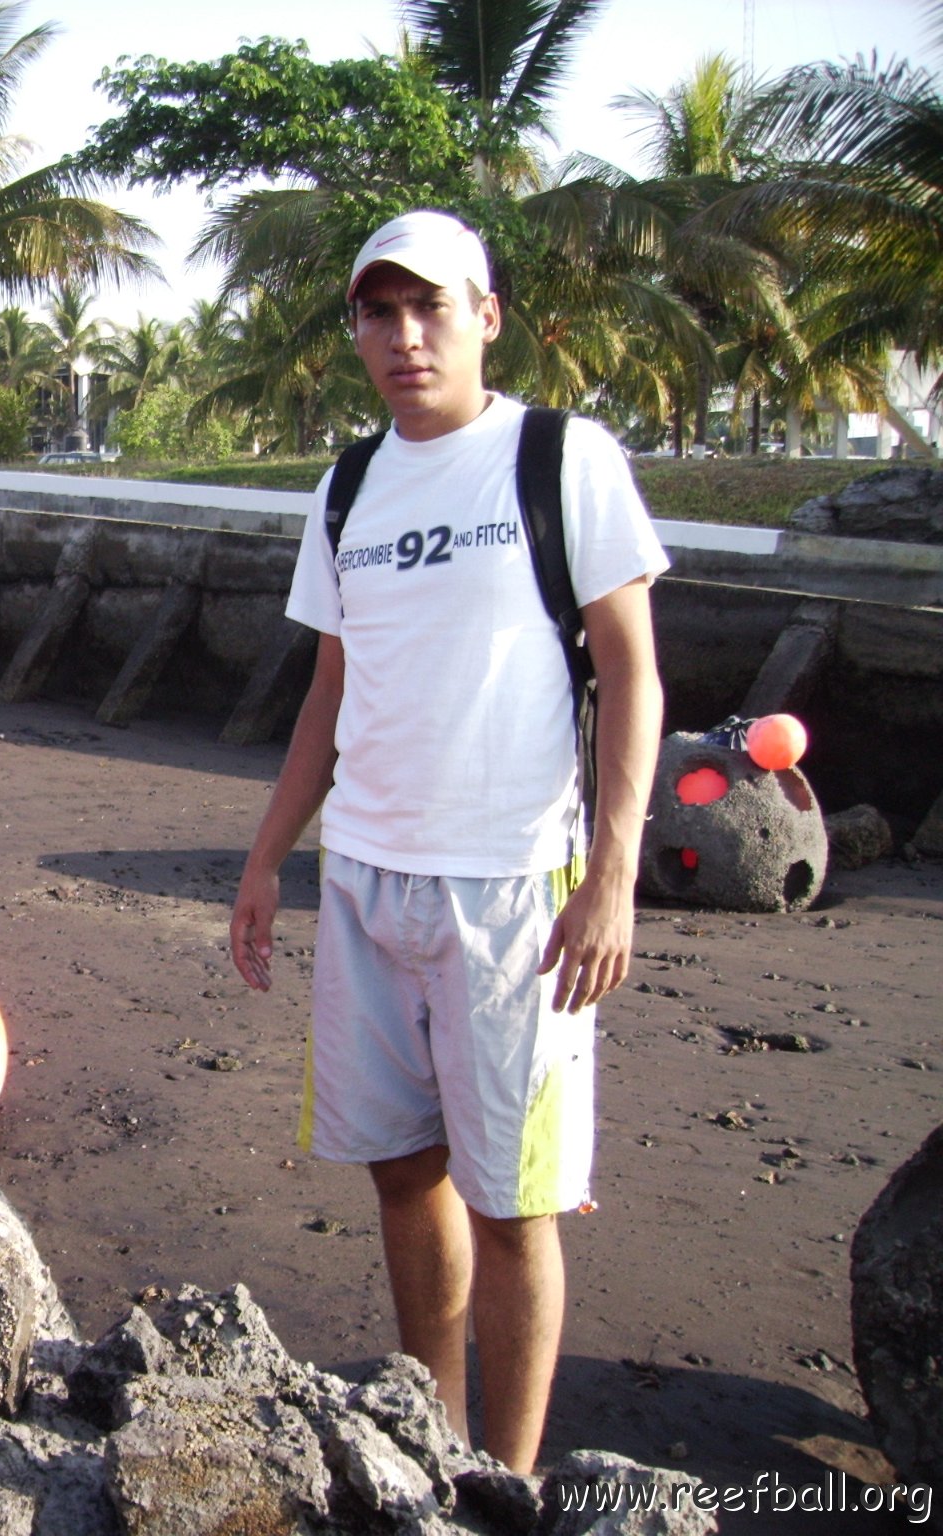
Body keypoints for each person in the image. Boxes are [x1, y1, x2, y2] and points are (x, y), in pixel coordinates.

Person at [228, 211, 667, 1474]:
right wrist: (267, 860)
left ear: (486, 314)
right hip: (363, 879)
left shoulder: (557, 458)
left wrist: (613, 879)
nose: (404, 336)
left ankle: (511, 1479)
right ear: (356, 331)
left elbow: (632, 675)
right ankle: (438, 1436)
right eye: (378, 312)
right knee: (399, 1174)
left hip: (515, 892)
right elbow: (329, 690)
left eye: (431, 307)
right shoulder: (348, 484)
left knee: (515, 1200)